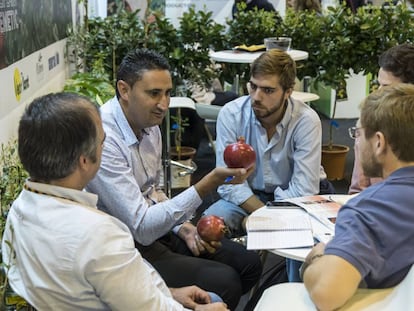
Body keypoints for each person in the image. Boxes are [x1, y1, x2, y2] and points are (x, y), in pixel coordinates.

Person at [1, 92, 230, 310]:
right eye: (103, 141)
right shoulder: (99, 233)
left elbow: (118, 291)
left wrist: (168, 293)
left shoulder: (21, 206)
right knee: (217, 296)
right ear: (84, 161)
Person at [85, 48, 263, 310]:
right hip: (127, 247)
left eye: (167, 93)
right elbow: (142, 228)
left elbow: (154, 191)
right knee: (226, 282)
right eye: (154, 93)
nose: (164, 104)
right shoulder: (105, 140)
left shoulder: (150, 123)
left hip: (156, 231)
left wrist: (183, 227)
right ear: (124, 90)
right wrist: (208, 183)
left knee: (249, 264)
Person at [202, 49, 328, 282]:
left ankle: (293, 293)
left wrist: (263, 220)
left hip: (295, 201)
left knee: (302, 240)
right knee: (209, 225)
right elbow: (229, 184)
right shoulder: (232, 114)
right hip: (246, 197)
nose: (257, 96)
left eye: (268, 90)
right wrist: (261, 214)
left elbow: (303, 191)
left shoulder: (306, 121)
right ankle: (227, 290)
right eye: (253, 86)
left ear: (288, 92)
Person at [302, 84, 414, 310]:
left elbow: (326, 294)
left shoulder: (371, 208)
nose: (357, 142)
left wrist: (316, 258)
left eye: (358, 133)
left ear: (379, 142)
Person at [348, 43, 414, 194]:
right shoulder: (370, 124)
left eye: (386, 87)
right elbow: (358, 190)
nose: (378, 93)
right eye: (378, 85)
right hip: (374, 210)